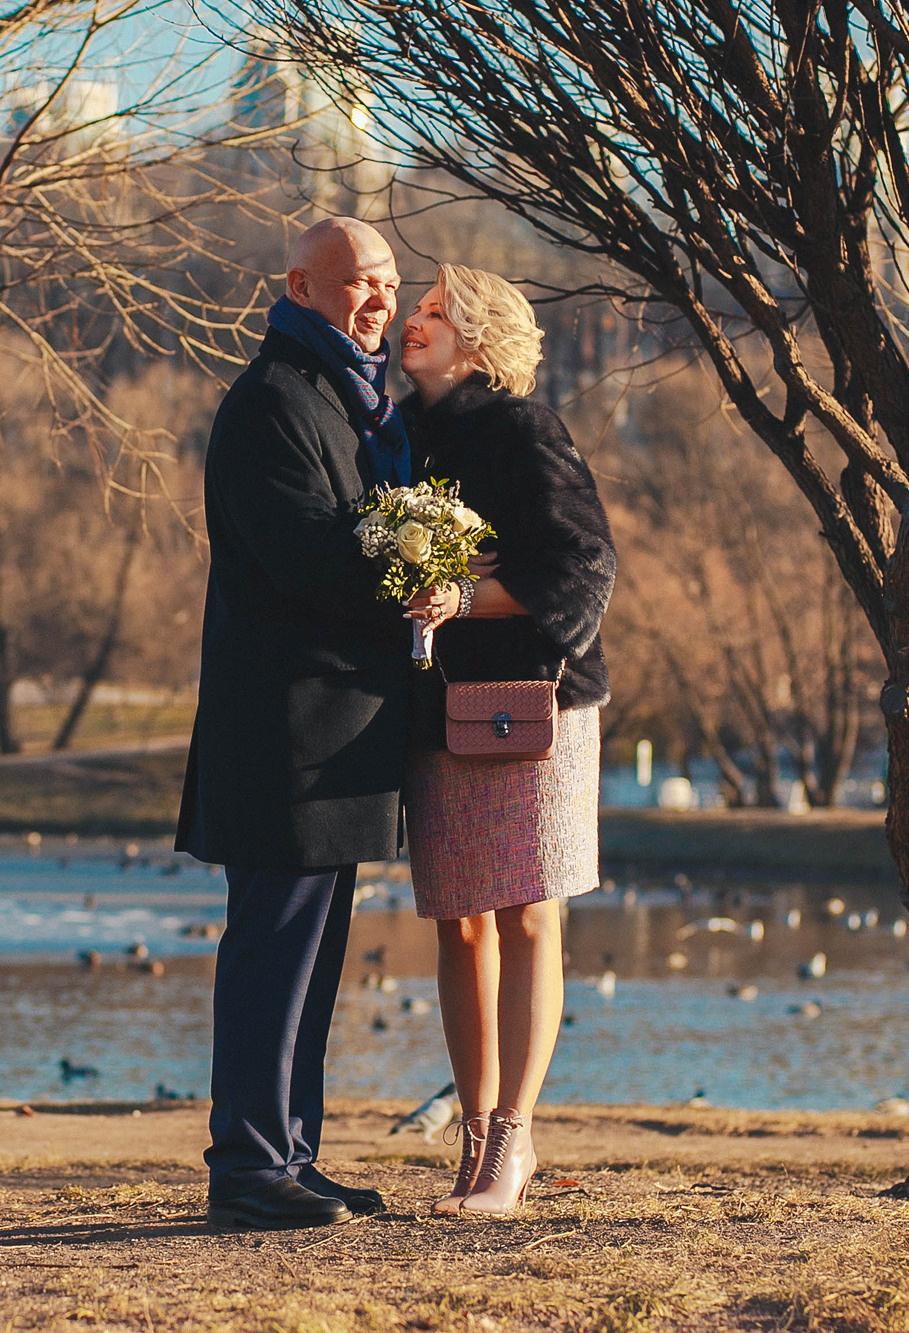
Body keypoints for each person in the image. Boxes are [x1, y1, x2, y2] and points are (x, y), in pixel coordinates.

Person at [175, 217, 434, 1230]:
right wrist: (427, 564)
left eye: (386, 279)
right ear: (300, 285)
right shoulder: (274, 401)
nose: (375, 296)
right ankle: (244, 1169)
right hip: (281, 732)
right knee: (269, 956)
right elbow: (312, 559)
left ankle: (290, 1153)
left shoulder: (349, 399)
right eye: (355, 280)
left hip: (338, 731)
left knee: (313, 962)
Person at [396, 263, 616, 1216]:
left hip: (539, 705)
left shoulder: (525, 428)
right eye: (417, 308)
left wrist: (465, 593)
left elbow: (584, 561)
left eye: (436, 313)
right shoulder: (395, 434)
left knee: (531, 913)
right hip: (439, 704)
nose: (414, 321)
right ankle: (475, 1138)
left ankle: (513, 1144)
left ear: (477, 338)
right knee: (457, 916)